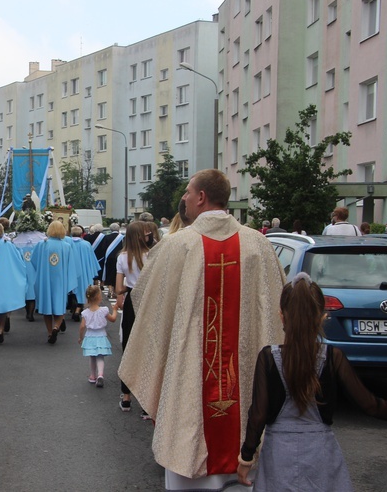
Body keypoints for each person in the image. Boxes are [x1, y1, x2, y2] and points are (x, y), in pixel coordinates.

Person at [119, 169, 285, 490]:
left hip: (190, 388)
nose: (184, 197)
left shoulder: (175, 246)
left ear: (201, 197)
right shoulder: (259, 246)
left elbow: (150, 312)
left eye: (187, 191)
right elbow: (276, 319)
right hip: (246, 399)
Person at [237, 273, 387, 490]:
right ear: (322, 317)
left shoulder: (269, 358)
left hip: (279, 453)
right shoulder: (333, 357)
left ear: (281, 316)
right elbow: (370, 404)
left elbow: (258, 414)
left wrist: (246, 456)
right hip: (321, 454)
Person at [114, 222, 150, 414]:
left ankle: (126, 396)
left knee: (129, 347)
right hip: (149, 301)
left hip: (132, 300)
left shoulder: (123, 257)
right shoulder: (152, 255)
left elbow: (119, 288)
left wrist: (128, 286)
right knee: (149, 348)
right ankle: (146, 403)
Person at [32, 221, 78, 344]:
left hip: (45, 280)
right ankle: (56, 327)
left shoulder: (41, 245)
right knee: (60, 306)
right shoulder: (66, 246)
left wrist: (42, 269)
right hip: (60, 280)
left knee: (47, 307)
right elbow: (71, 266)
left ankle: (49, 333)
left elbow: (33, 261)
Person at [78, 285, 117, 388]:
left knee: (92, 356)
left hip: (90, 336)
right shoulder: (103, 310)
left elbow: (82, 326)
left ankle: (93, 375)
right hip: (101, 335)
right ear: (99, 297)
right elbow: (113, 319)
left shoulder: (85, 313)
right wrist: (115, 310)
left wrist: (80, 337)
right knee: (100, 356)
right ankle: (100, 375)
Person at [68, 225, 100, 321]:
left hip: (71, 271)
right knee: (83, 290)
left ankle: (73, 308)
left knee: (71, 289)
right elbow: (92, 259)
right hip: (83, 271)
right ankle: (78, 309)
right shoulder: (86, 244)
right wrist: (93, 271)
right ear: (82, 234)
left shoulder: (67, 243)